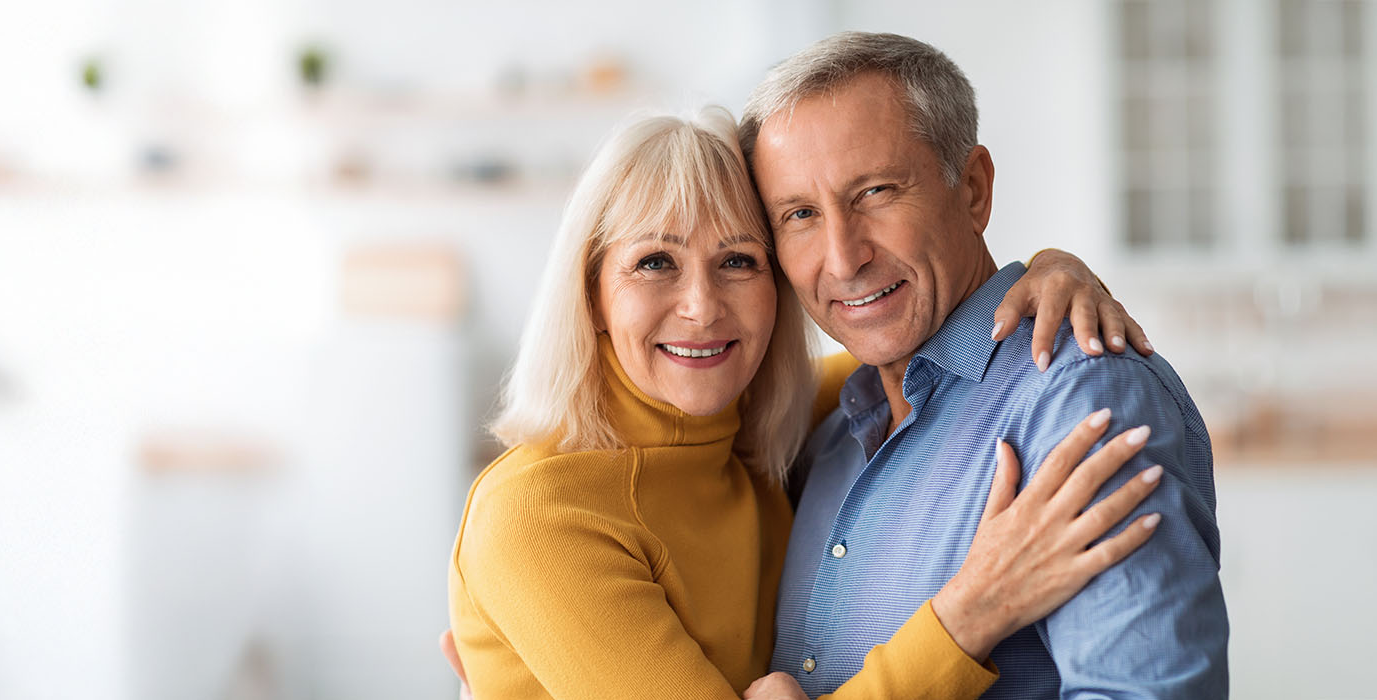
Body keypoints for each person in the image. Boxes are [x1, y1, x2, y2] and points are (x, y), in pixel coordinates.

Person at [443, 103, 1165, 700]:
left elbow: (921, 341)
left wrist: (1049, 270)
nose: (701, 307)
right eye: (654, 263)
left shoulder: (767, 432)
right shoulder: (538, 512)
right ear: (592, 292)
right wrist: (975, 610)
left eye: (738, 262)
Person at [740, 32, 1226, 699]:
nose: (842, 257)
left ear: (972, 189)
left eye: (876, 192)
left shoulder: (1079, 403)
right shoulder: (823, 439)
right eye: (799, 214)